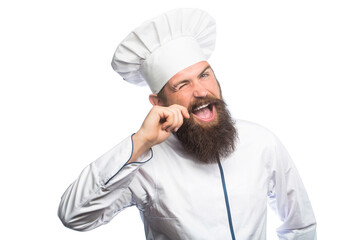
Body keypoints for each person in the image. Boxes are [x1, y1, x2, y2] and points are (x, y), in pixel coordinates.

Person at [58, 8, 317, 239]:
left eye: (204, 75)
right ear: (158, 102)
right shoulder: (145, 164)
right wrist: (140, 142)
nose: (201, 91)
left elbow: (300, 226)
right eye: (182, 85)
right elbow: (74, 216)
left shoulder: (262, 143)